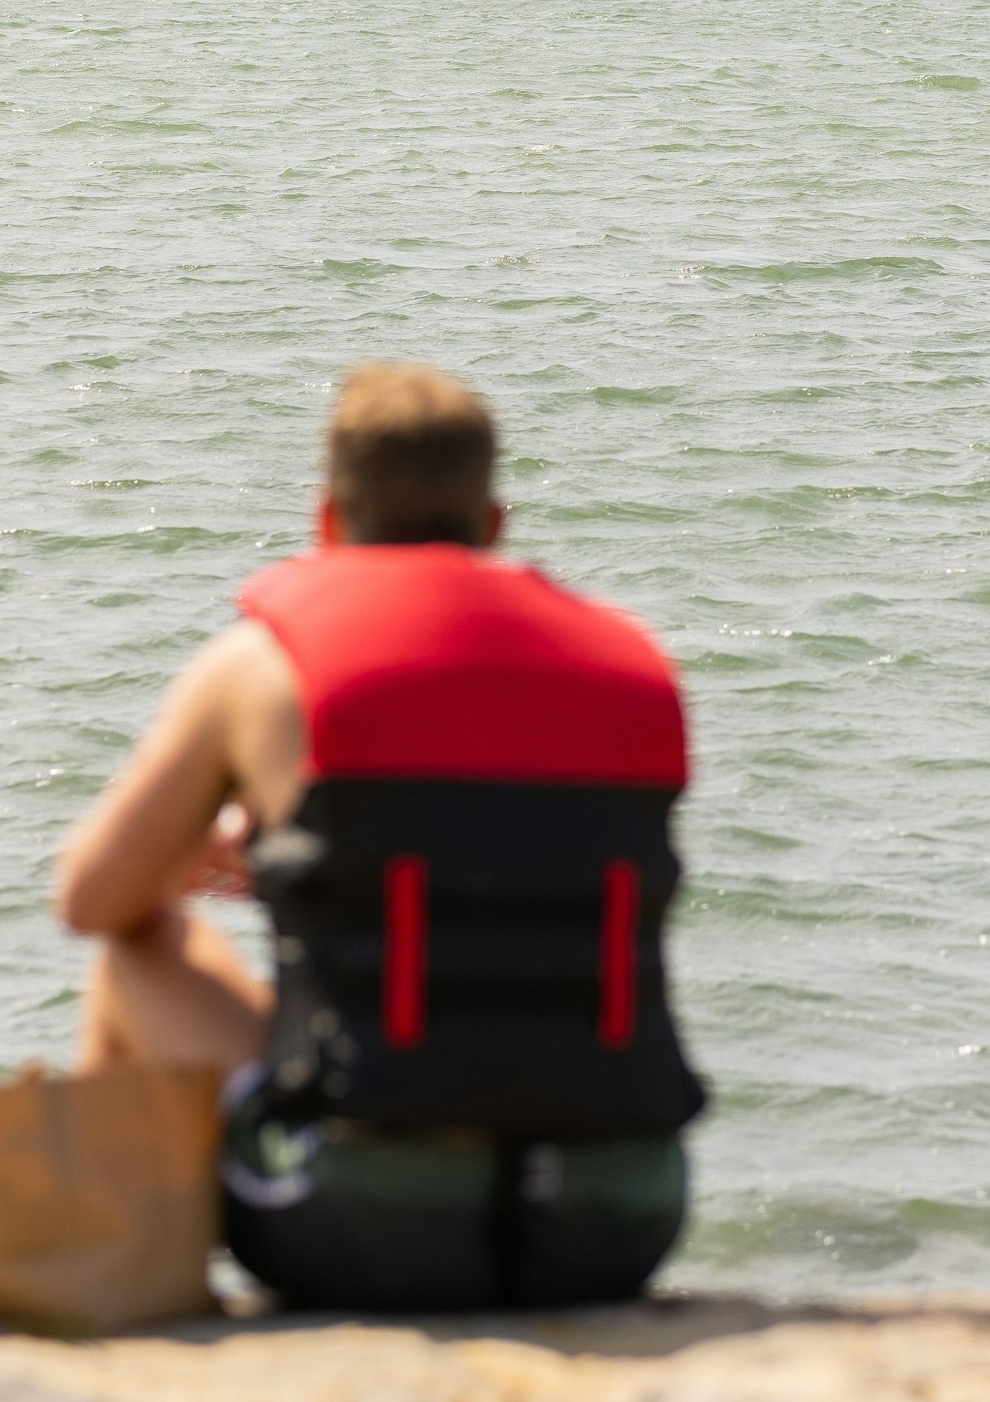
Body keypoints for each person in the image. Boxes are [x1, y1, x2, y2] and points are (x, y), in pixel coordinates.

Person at [54, 363, 705, 1310]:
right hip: (619, 1225)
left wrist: (198, 865)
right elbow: (519, 859)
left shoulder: (261, 665)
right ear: (492, 524)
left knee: (140, 948)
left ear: (327, 519)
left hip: (363, 1231)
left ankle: (109, 1283)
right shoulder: (633, 662)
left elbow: (89, 900)